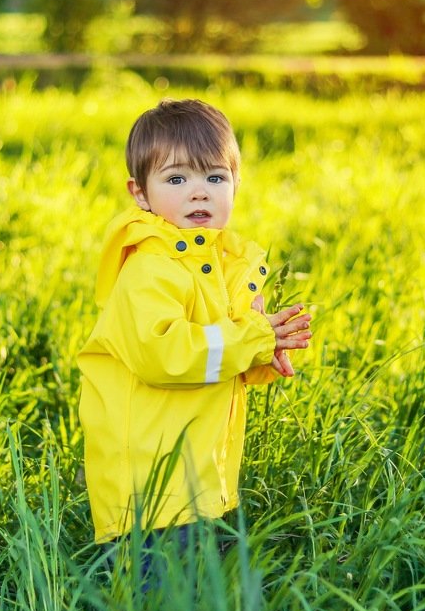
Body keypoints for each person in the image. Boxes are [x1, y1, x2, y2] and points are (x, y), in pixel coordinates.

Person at [77, 98, 312, 552]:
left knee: (211, 601)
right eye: (177, 178)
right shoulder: (150, 268)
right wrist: (251, 340)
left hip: (202, 478)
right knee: (159, 609)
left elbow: (218, 358)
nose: (199, 191)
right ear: (140, 193)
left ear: (235, 185)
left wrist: (264, 352)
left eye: (215, 177)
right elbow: (165, 356)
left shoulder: (222, 268)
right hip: (150, 489)